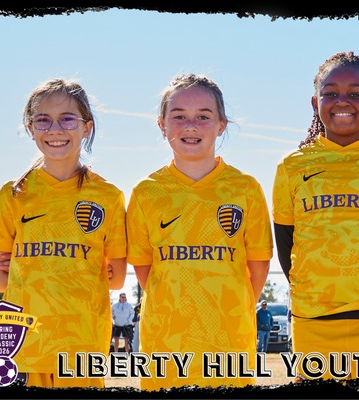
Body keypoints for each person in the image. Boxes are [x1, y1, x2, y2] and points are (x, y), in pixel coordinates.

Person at [271, 52, 359, 386]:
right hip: (313, 317)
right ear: (315, 102)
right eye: (331, 93)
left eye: (355, 93)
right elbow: (286, 244)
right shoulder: (292, 166)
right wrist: (316, 292)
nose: (342, 101)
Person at [0, 78, 127, 388]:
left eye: (67, 119)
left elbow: (115, 279)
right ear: (30, 128)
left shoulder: (108, 197)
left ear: (86, 127)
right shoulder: (13, 194)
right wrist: (74, 268)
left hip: (82, 347)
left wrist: (33, 266)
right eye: (43, 120)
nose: (55, 130)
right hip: (25, 349)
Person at [127, 74, 272, 390]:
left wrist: (231, 309)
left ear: (221, 125)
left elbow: (259, 265)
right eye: (178, 116)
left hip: (229, 343)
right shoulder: (146, 193)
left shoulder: (245, 188)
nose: (190, 126)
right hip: (165, 344)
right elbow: (145, 269)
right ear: (162, 125)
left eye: (203, 117)